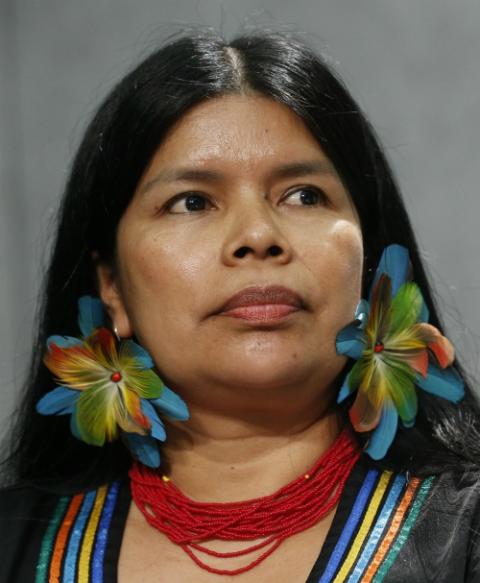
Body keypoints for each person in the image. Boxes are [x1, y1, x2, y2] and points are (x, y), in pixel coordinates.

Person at [1, 29, 479, 583]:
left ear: (368, 260)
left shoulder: (462, 534)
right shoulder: (16, 542)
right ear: (111, 286)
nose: (257, 234)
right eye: (192, 202)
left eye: (303, 195)